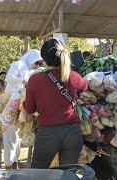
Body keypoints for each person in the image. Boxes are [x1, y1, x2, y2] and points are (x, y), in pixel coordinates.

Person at [23, 38, 88, 169]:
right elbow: (84, 87)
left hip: (47, 134)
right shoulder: (73, 76)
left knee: (38, 174)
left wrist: (23, 102)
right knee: (68, 175)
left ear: (43, 59)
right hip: (72, 132)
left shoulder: (35, 79)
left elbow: (29, 109)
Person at [0, 49, 42, 169]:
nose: (37, 66)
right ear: (31, 59)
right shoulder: (18, 64)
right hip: (10, 105)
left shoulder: (30, 70)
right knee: (9, 136)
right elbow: (8, 78)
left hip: (20, 107)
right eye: (37, 63)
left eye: (40, 64)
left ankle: (14, 164)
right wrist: (23, 81)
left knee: (17, 137)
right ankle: (9, 165)